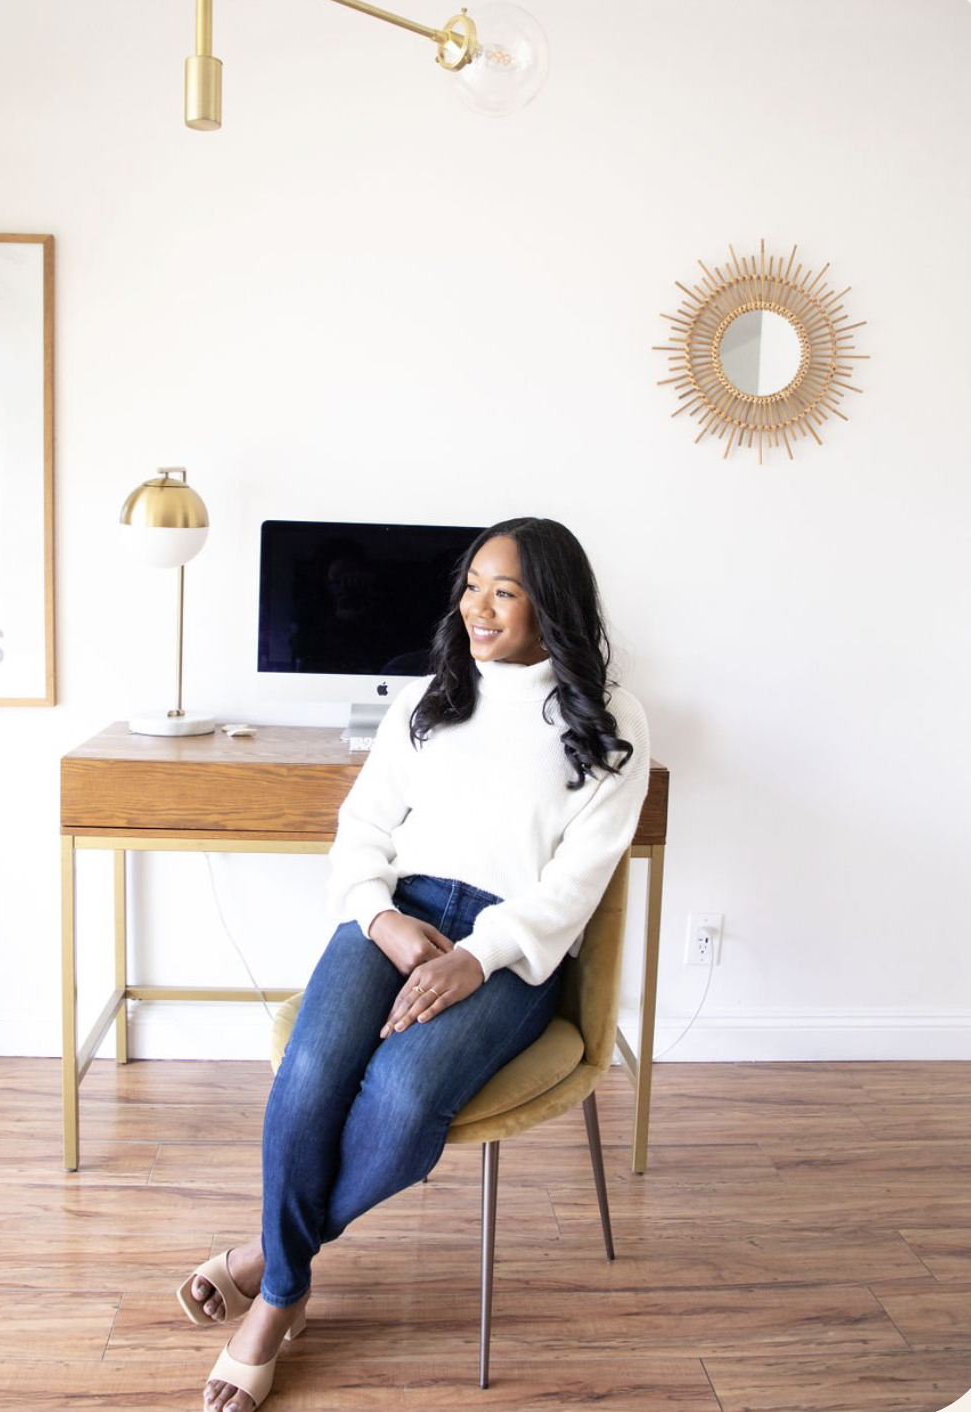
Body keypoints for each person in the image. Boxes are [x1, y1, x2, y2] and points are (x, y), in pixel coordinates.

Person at [180, 517, 651, 1412]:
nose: (477, 608)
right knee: (312, 1068)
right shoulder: (434, 695)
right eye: (471, 585)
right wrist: (381, 920)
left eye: (503, 591)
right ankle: (284, 1288)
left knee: (400, 1100)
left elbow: (575, 886)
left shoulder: (611, 722)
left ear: (551, 602)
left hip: (510, 950)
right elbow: (360, 831)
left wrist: (477, 958)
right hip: (395, 911)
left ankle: (268, 1276)